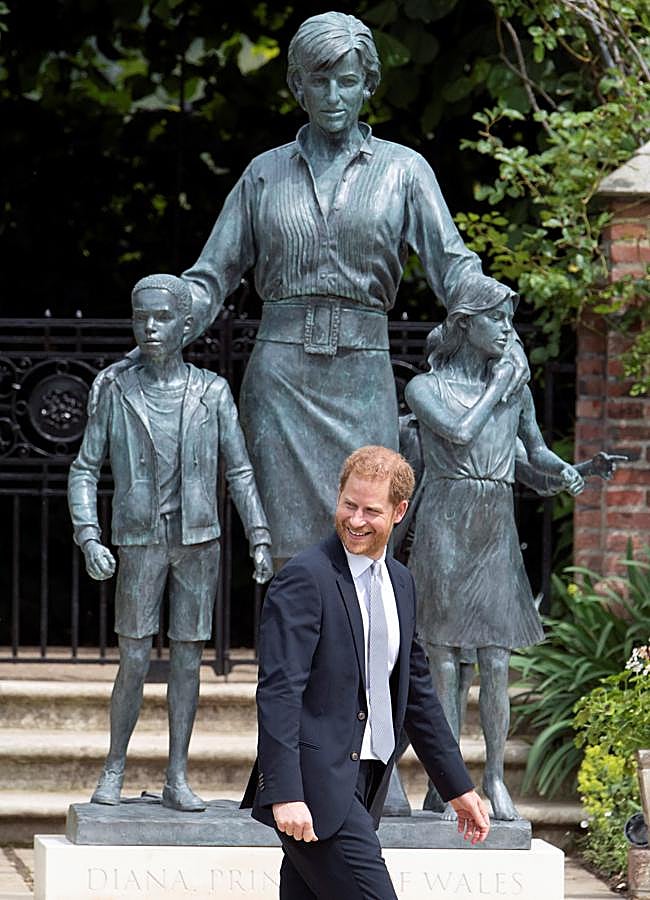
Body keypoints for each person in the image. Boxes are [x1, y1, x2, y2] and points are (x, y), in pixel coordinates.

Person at [91, 11, 527, 569]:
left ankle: (354, 660)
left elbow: (454, 268)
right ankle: (290, 659)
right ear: (298, 85)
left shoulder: (404, 171)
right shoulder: (264, 175)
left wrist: (498, 318)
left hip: (364, 374)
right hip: (280, 381)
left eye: (347, 81)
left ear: (368, 83)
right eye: (318, 81)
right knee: (287, 552)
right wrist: (162, 329)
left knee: (363, 531)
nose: (333, 95)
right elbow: (209, 279)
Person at [241, 446, 490, 899]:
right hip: (313, 789)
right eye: (348, 505)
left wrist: (457, 785)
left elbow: (416, 693)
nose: (355, 520)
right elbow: (278, 693)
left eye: (370, 511)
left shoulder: (400, 583)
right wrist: (284, 792)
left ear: (399, 512)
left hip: (364, 782)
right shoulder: (304, 578)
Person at [68, 274, 273, 811]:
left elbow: (241, 470)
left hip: (198, 541)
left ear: (186, 325)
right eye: (142, 318)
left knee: (188, 660)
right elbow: (85, 469)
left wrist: (259, 537)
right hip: (139, 540)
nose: (151, 328)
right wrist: (89, 536)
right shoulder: (116, 389)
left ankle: (176, 776)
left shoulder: (212, 391)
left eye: (162, 318)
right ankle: (114, 767)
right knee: (134, 657)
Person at [404, 273, 585, 821]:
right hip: (445, 521)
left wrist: (566, 473)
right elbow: (459, 433)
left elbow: (532, 457)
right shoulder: (425, 388)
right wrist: (501, 382)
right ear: (465, 324)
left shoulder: (514, 390)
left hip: (494, 525)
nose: (507, 331)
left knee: (496, 659)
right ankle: (445, 780)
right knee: (443, 661)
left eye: (510, 320)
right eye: (496, 319)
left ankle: (495, 781)